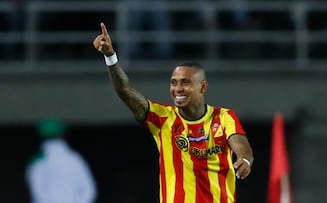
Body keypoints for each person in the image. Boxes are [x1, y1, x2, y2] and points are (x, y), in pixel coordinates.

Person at [93, 22, 254, 203]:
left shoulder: (224, 117)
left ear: (203, 86)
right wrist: (111, 57)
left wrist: (244, 160)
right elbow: (126, 92)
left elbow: (242, 146)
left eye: (185, 82)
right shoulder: (162, 119)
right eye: (173, 82)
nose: (177, 89)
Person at [25, 118, 97, 203]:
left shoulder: (38, 160)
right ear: (62, 135)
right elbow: (89, 190)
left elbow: (38, 193)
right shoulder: (75, 158)